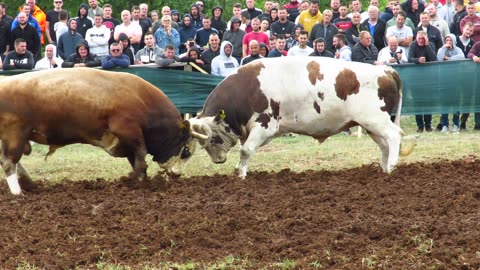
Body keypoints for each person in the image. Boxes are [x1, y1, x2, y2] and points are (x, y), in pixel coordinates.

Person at [408, 31, 437, 133]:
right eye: (419, 38)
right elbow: (409, 59)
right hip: (416, 78)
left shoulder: (430, 45)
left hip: (428, 78)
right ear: (416, 38)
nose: (420, 40)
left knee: (428, 102)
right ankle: (420, 126)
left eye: (422, 39)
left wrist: (427, 45)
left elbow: (434, 58)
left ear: (426, 38)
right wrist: (418, 60)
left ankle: (428, 125)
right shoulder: (412, 45)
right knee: (417, 103)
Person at [436, 33, 464, 132]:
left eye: (450, 40)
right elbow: (439, 58)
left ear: (453, 41)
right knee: (444, 103)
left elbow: (462, 56)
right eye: (447, 40)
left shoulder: (457, 50)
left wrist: (449, 59)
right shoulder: (441, 49)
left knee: (455, 102)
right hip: (444, 79)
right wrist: (443, 48)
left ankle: (456, 124)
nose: (448, 42)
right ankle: (444, 125)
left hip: (455, 79)